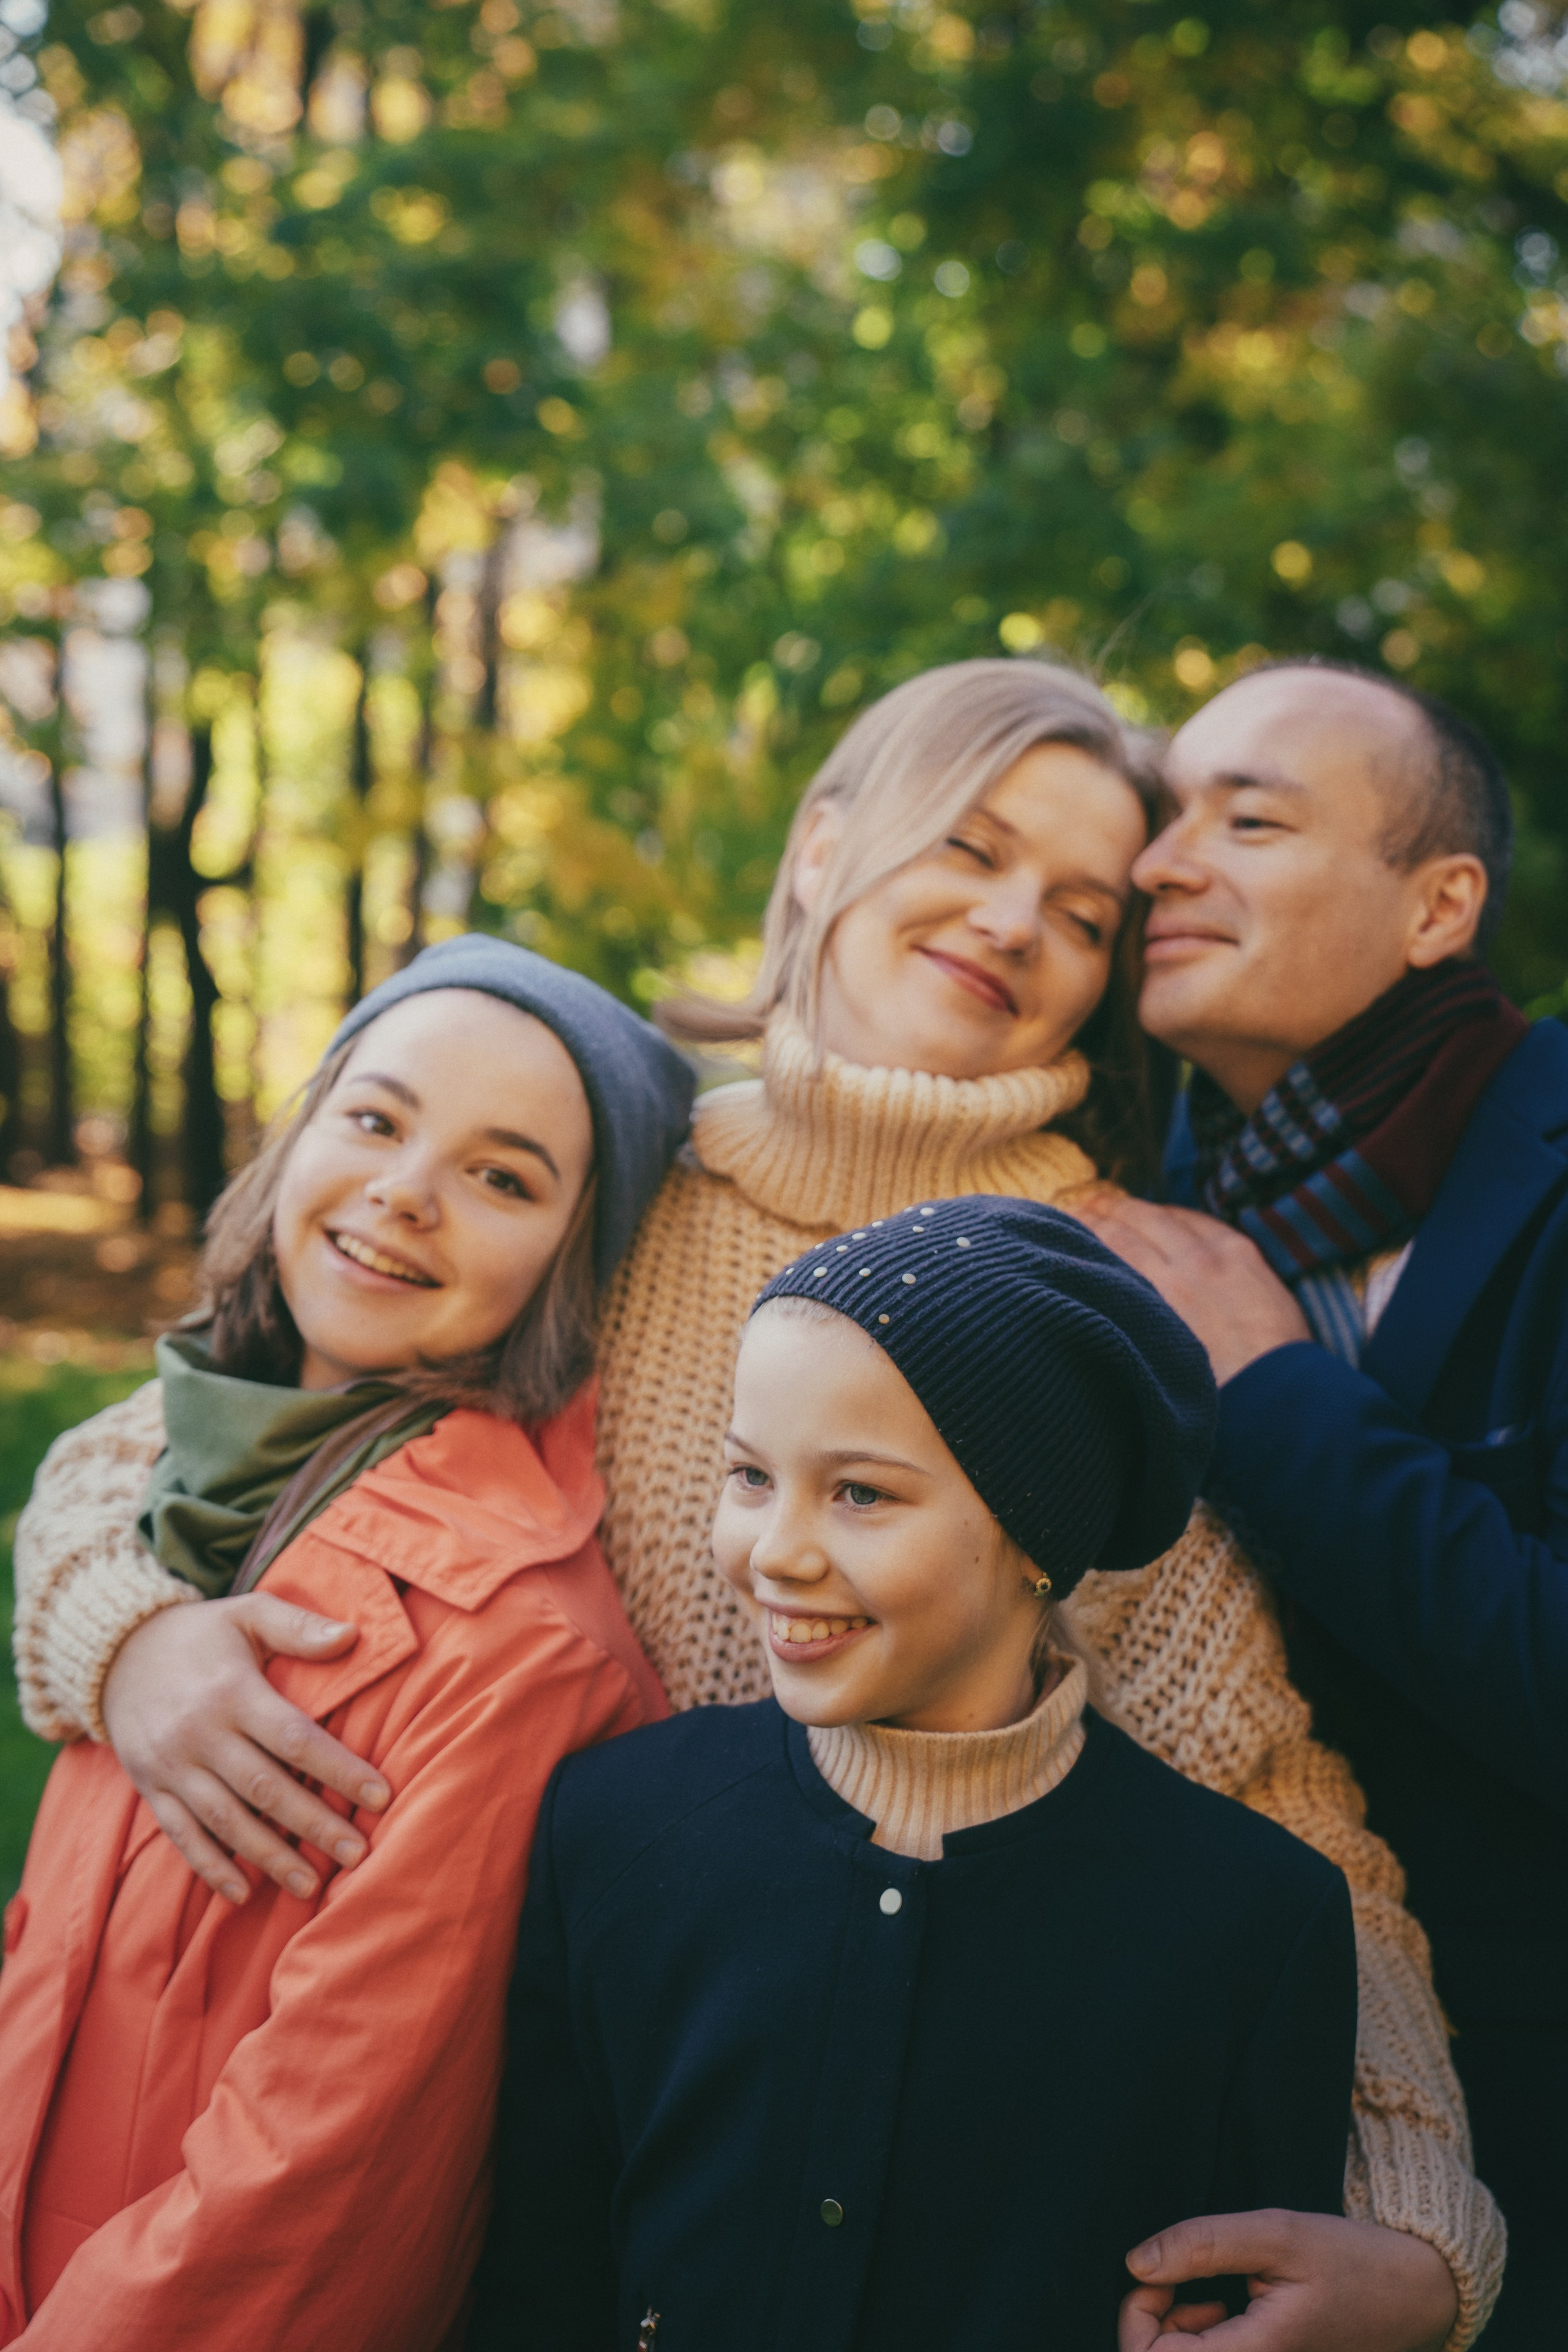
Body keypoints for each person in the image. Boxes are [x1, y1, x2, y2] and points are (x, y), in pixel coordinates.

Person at [12, 661, 1501, 2347]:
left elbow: (1271, 1802)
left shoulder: (1086, 1296)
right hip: (453, 2055)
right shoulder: (616, 1188)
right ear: (820, 848)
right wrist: (122, 1632)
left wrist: (1419, 2226)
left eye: (1084, 912)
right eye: (971, 846)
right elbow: (211, 1411)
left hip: (846, 2131)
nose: (1013, 921)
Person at [469, 1199, 1359, 2351]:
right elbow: (539, 2287)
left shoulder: (1254, 1924)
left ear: (1041, 1533)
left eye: (861, 1493)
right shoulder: (613, 1829)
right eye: (750, 1475)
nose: (776, 1552)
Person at [0, 940, 690, 2350]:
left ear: (571, 1265)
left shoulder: (517, 1649)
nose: (404, 1191)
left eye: (503, 1179)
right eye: (376, 1119)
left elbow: (314, 2186)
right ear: (299, 1133)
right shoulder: (160, 1490)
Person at [1080, 659, 1561, 2345]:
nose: (1158, 863)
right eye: (1164, 818)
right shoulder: (1138, 1198)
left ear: (1437, 906)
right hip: (1200, 2128)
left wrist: (1275, 1397)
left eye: (1252, 821)